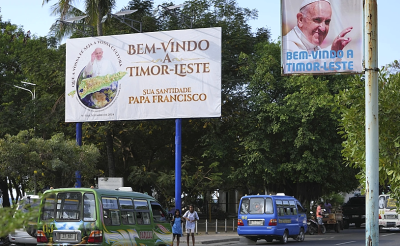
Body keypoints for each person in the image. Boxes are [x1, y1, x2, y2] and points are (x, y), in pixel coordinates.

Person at [282, 0, 354, 72]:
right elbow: (294, 68)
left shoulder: (314, 47)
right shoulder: (286, 44)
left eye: (327, 22)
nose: (323, 29)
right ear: (300, 19)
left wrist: (335, 54)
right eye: (317, 20)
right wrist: (331, 53)